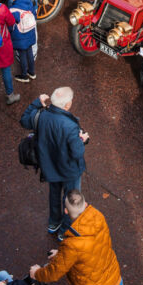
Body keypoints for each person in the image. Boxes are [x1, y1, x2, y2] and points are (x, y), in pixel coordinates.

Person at [20, 88, 89, 240]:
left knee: (54, 193)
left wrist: (36, 103)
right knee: (71, 198)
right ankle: (64, 230)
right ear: (67, 105)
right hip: (69, 169)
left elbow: (24, 120)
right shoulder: (70, 126)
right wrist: (82, 139)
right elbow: (77, 152)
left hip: (49, 165)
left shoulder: (40, 115)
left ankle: (54, 223)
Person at [28, 190, 122, 285]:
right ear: (85, 204)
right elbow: (91, 251)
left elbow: (54, 273)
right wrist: (62, 255)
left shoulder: (72, 244)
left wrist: (36, 273)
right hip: (114, 278)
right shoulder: (98, 216)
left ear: (66, 211)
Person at [9, 0, 37, 83]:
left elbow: (10, 23)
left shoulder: (13, 9)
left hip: (20, 35)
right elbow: (34, 15)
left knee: (22, 55)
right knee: (29, 52)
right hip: (30, 31)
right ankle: (32, 72)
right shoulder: (29, 2)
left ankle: (24, 75)